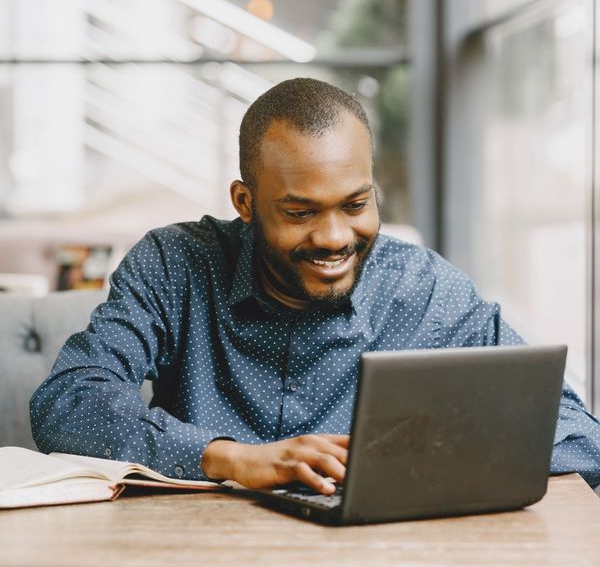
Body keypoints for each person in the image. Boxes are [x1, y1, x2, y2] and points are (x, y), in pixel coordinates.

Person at [30, 78, 600, 494]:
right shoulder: (175, 264)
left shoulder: (424, 289)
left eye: (356, 204)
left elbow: (577, 436)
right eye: (300, 212)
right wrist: (228, 458)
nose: (333, 237)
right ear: (245, 203)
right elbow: (68, 400)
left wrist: (416, 462)